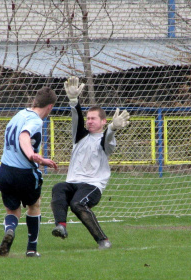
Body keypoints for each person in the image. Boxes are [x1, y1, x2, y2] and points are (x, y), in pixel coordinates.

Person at [50, 76, 130, 250]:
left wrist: (113, 128)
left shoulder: (106, 140)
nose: (89, 121)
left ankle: (103, 241)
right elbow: (76, 117)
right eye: (88, 118)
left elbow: (108, 137)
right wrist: (73, 100)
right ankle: (61, 226)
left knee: (77, 204)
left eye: (94, 118)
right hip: (74, 183)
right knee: (58, 188)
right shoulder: (80, 136)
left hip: (92, 185)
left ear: (103, 121)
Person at [0, 86, 58, 257]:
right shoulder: (36, 120)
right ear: (50, 107)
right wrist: (33, 155)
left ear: (34, 101)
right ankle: (32, 249)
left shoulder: (18, 115)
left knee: (12, 210)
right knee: (34, 205)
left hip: (5, 171)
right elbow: (24, 136)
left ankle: (10, 230)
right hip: (24, 173)